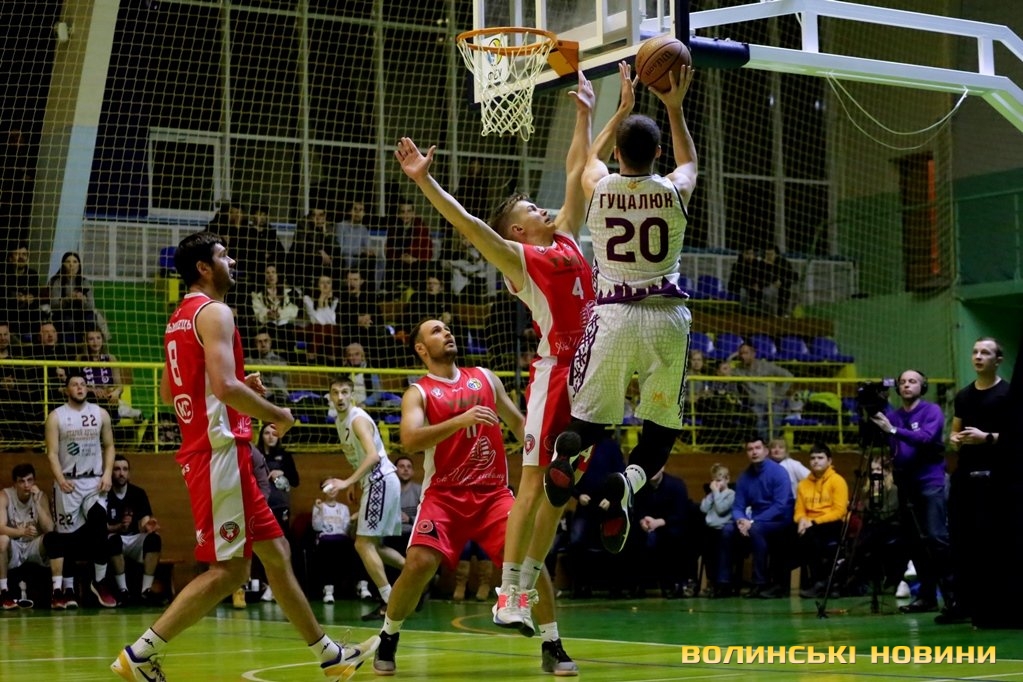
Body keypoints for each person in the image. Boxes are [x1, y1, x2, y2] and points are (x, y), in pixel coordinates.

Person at [395, 66, 607, 649]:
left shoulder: (568, 237)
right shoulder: (519, 259)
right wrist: (425, 182)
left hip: (593, 375)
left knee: (560, 491)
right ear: (517, 228)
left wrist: (587, 113)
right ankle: (510, 594)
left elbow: (576, 169)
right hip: (556, 372)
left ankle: (523, 586)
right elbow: (466, 224)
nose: (545, 208)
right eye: (533, 208)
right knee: (534, 480)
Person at [110, 231, 377, 682]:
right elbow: (224, 386)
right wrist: (277, 414)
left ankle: (331, 657)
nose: (231, 261)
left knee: (277, 552)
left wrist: (232, 393)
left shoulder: (179, 318)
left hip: (212, 451)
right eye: (223, 255)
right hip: (220, 455)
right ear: (203, 267)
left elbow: (171, 391)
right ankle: (139, 655)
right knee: (230, 573)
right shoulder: (215, 311)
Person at [543, 61, 698, 557]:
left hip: (612, 315)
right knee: (663, 426)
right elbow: (690, 162)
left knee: (590, 420)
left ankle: (568, 451)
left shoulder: (600, 185)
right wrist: (673, 107)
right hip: (666, 318)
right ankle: (627, 484)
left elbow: (586, 158)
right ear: (658, 154)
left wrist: (613, 111)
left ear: (617, 154)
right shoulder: (674, 189)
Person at [371, 319, 574, 677]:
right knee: (418, 563)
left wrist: (550, 452)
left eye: (447, 328)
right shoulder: (419, 392)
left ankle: (552, 644)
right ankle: (389, 636)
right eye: (436, 331)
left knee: (532, 559)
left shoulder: (485, 378)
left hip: (493, 494)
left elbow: (518, 424)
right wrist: (458, 420)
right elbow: (410, 440)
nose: (446, 333)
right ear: (421, 348)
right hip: (444, 495)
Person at [322, 377, 405, 620]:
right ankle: (420, 578)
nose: (340, 397)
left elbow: (372, 456)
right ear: (330, 396)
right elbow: (360, 458)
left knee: (362, 544)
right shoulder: (340, 421)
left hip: (380, 480)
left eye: (344, 392)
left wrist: (347, 481)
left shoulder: (357, 419)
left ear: (352, 395)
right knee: (374, 545)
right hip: (376, 482)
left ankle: (390, 601)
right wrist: (355, 483)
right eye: (335, 392)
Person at [870, 369, 951, 616]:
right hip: (906, 484)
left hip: (930, 482)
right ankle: (926, 596)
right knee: (914, 542)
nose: (907, 385)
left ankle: (954, 595)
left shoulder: (931, 411)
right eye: (903, 382)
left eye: (913, 381)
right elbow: (879, 438)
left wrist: (893, 430)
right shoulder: (893, 415)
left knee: (936, 537)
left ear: (922, 387)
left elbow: (926, 438)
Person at [944, 337, 1011, 625]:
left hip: (997, 476)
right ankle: (964, 603)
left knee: (992, 541)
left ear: (998, 360)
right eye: (975, 352)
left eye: (985, 352)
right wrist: (955, 439)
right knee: (962, 539)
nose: (978, 356)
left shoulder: (1008, 394)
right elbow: (954, 431)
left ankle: (996, 604)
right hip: (965, 477)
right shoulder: (963, 395)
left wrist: (987, 438)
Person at [46, 372, 118, 609]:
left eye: (83, 384)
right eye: (74, 384)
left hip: (94, 481)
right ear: (67, 390)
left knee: (99, 519)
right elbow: (52, 453)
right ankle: (65, 590)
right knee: (66, 538)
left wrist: (107, 473)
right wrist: (60, 479)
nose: (79, 387)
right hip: (68, 482)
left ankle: (100, 581)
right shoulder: (56, 417)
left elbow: (109, 446)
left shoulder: (100, 414)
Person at [719, 436, 794, 598]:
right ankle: (724, 583)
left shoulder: (779, 473)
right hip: (754, 520)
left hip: (779, 520)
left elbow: (780, 505)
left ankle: (759, 583)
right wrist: (741, 520)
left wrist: (752, 521)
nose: (754, 452)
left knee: (755, 529)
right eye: (750, 449)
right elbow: (738, 507)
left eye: (757, 448)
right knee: (727, 530)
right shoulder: (744, 477)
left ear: (766, 451)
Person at [0, 463, 63, 610]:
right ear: (15, 483)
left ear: (34, 481)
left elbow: (49, 529)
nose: (26, 485)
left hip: (33, 546)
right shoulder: (4, 496)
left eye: (29, 480)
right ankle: (3, 591)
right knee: (2, 540)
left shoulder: (41, 496)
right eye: (21, 481)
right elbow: (0, 528)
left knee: (54, 538)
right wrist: (21, 532)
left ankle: (57, 592)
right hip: (14, 545)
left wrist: (37, 504)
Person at [105, 455, 163, 606]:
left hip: (134, 538)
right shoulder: (105, 494)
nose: (121, 473)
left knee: (154, 539)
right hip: (114, 539)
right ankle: (123, 591)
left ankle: (146, 590)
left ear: (129, 473)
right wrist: (118, 527)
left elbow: (144, 520)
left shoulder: (138, 493)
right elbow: (100, 527)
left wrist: (148, 526)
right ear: (111, 472)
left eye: (125, 469)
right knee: (113, 540)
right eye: (117, 469)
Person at [793, 443, 849, 598]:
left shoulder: (838, 481)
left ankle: (820, 582)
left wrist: (813, 522)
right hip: (810, 524)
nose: (816, 461)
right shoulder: (803, 484)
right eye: (812, 458)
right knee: (790, 534)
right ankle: (821, 582)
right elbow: (799, 511)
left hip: (833, 523)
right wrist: (801, 520)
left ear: (829, 461)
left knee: (809, 537)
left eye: (820, 458)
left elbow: (839, 512)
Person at [732, 343, 794, 440]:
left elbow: (789, 376)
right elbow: (723, 370)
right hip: (755, 404)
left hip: (773, 402)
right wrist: (732, 355)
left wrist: (779, 393)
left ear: (753, 353)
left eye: (746, 353)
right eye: (741, 354)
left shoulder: (766, 366)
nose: (743, 356)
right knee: (759, 423)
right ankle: (766, 443)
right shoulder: (738, 370)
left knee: (775, 420)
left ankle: (772, 443)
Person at [47, 250, 109, 342]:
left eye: (75, 262)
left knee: (91, 319)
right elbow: (54, 305)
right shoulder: (57, 281)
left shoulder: (84, 282)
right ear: (63, 265)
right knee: (68, 321)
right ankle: (71, 347)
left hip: (82, 313)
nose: (71, 264)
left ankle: (91, 345)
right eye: (68, 262)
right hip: (63, 314)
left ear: (79, 265)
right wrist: (69, 299)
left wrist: (82, 300)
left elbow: (91, 305)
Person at [312, 480, 356, 604]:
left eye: (334, 486)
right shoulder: (318, 506)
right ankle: (328, 590)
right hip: (325, 539)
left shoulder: (344, 508)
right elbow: (317, 527)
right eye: (328, 487)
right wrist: (320, 510)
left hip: (341, 539)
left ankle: (362, 586)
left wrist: (352, 521)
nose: (331, 490)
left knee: (357, 547)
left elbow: (346, 530)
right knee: (327, 549)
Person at [699, 463, 734, 598]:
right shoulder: (713, 495)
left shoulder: (731, 494)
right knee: (709, 557)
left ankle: (722, 584)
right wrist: (711, 494)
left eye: (719, 480)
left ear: (727, 479)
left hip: (722, 530)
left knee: (721, 557)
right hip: (711, 530)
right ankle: (712, 582)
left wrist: (716, 493)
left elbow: (721, 509)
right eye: (713, 480)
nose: (716, 484)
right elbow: (703, 508)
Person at [245, 330, 289, 404]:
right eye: (259, 342)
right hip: (260, 397)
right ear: (255, 344)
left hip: (279, 397)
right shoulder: (249, 360)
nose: (263, 344)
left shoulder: (279, 360)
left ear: (270, 343)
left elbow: (279, 384)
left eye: (266, 341)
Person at [761, 246, 798, 317]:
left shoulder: (783, 263)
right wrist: (773, 281)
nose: (769, 256)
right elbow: (762, 277)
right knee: (770, 291)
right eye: (767, 254)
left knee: (790, 292)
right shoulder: (762, 263)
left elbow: (793, 275)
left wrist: (782, 282)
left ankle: (785, 313)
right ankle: (769, 315)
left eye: (771, 254)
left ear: (776, 254)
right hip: (767, 285)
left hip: (783, 286)